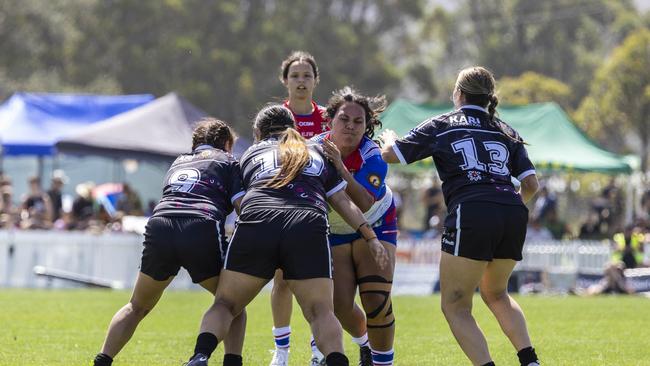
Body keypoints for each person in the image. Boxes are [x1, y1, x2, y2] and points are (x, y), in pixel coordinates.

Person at [183, 104, 388, 366]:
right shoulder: (316, 151)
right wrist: (370, 237)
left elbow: (238, 200)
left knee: (226, 304)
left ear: (257, 132)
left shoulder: (249, 154)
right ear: (292, 128)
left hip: (259, 219)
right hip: (307, 223)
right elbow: (341, 200)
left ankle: (200, 357)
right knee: (320, 312)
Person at [380, 66, 541, 366]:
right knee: (497, 293)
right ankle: (530, 361)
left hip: (473, 209)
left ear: (459, 93)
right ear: (489, 97)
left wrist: (389, 137)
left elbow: (392, 155)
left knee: (455, 304)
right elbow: (531, 185)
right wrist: (507, 207)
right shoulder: (507, 130)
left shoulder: (442, 124)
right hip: (512, 211)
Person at [93, 118, 247, 366]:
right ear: (227, 143)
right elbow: (242, 207)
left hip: (160, 225)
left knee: (137, 306)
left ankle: (102, 361)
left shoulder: (177, 162)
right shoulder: (229, 161)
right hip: (200, 225)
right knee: (231, 302)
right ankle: (212, 359)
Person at [309, 87, 397, 366]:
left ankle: (383, 363)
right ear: (330, 120)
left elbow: (365, 203)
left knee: (376, 300)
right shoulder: (311, 148)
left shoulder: (373, 155)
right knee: (339, 307)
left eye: (358, 122)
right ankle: (366, 347)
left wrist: (340, 166)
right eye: (344, 119)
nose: (350, 126)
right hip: (334, 230)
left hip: (376, 221)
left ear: (367, 126)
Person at [269, 50, 329, 365]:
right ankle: (281, 351)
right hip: (282, 206)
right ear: (285, 81)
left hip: (321, 207)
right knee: (281, 279)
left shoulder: (329, 117)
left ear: (316, 80)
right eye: (295, 76)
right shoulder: (276, 118)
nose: (301, 81)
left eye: (307, 75)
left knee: (317, 280)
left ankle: (318, 347)